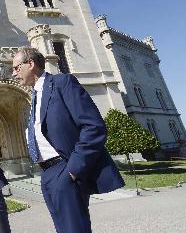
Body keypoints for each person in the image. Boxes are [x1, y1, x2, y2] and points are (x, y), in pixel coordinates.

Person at [12, 47, 124, 233]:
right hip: (47, 173)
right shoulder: (35, 96)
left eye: (16, 68)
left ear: (30, 64)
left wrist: (73, 169)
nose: (14, 74)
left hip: (65, 168)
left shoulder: (62, 82)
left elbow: (93, 127)